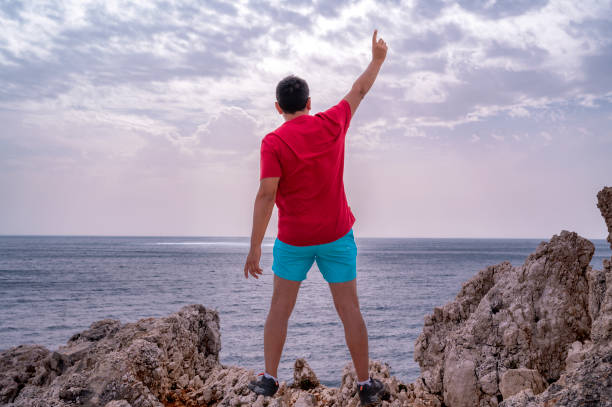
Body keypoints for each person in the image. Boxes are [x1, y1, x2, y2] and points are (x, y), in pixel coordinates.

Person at [244, 29, 389, 406]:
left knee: (280, 308)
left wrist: (254, 247)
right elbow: (358, 91)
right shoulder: (331, 123)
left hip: (293, 239)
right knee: (350, 310)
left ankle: (270, 379)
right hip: (336, 234)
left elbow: (266, 194)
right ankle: (365, 384)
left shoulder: (273, 142)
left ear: (278, 107)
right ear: (309, 102)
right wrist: (376, 60)